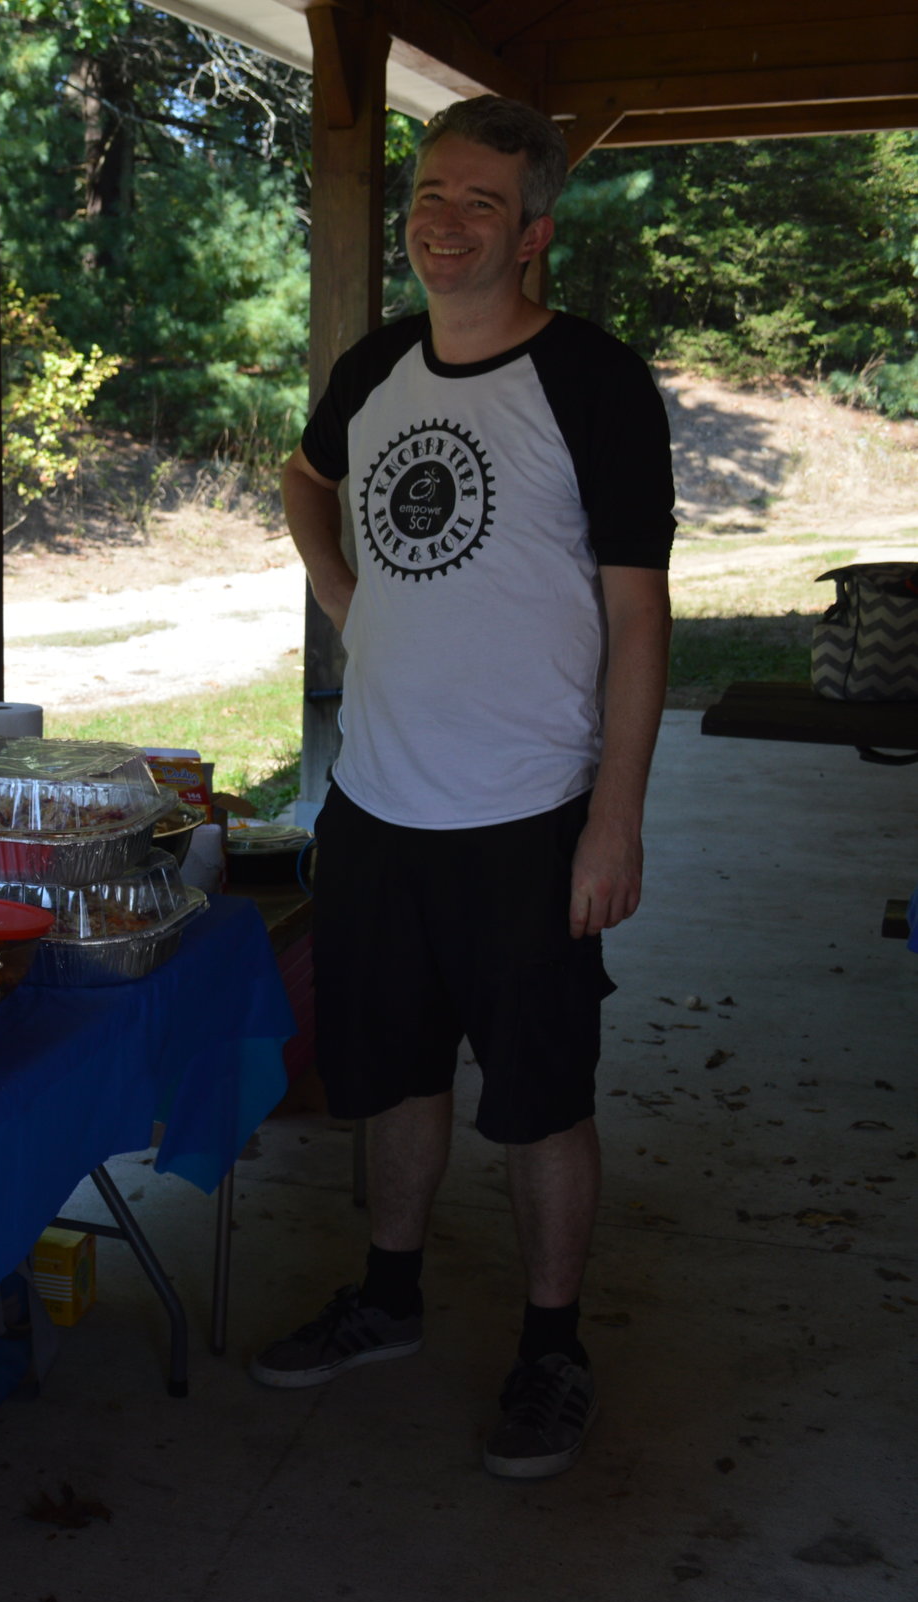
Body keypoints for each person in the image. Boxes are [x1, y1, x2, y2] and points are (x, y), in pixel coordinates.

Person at [257, 97, 675, 1479]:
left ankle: (553, 1345)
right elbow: (302, 478)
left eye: (481, 201)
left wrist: (614, 815)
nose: (445, 219)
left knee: (545, 1095)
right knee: (391, 1075)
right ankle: (388, 1296)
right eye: (432, 191)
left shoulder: (594, 385)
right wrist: (337, 589)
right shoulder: (377, 365)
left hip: (531, 814)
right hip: (377, 808)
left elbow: (639, 617)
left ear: (535, 231)